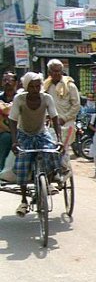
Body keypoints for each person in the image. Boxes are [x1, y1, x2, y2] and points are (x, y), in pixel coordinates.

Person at [9, 72, 61, 216]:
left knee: (52, 152)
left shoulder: (46, 98)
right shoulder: (19, 99)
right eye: (31, 86)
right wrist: (14, 141)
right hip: (24, 134)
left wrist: (59, 139)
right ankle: (24, 200)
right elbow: (13, 120)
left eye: (37, 86)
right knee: (22, 164)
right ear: (26, 87)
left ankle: (50, 181)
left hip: (41, 133)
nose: (35, 89)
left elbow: (55, 118)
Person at [43, 59, 81, 171]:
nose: (57, 73)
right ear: (49, 72)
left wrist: (64, 118)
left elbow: (76, 106)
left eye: (59, 71)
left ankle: (62, 170)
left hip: (66, 123)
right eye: (54, 71)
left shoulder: (70, 86)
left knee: (62, 148)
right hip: (49, 123)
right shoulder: (45, 86)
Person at [0, 71, 17, 170]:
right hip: (3, 132)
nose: (7, 82)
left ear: (15, 82)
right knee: (5, 138)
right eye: (5, 80)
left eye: (10, 80)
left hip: (20, 131)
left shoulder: (20, 97)